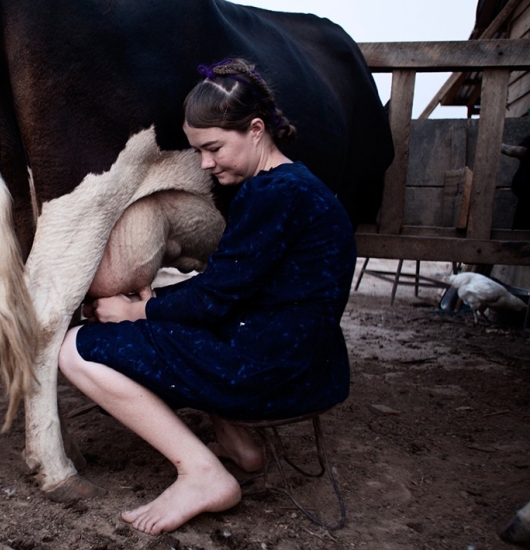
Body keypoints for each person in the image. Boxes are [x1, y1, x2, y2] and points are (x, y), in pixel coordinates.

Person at [58, 57, 357, 536]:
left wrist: (136, 309)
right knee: (193, 327)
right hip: (311, 365)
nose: (205, 164)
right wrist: (155, 309)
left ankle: (202, 474)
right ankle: (243, 448)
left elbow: (213, 298)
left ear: (255, 130)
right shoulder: (302, 185)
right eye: (198, 151)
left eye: (213, 148)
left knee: (75, 348)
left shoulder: (270, 195)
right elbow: (233, 289)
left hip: (269, 373)